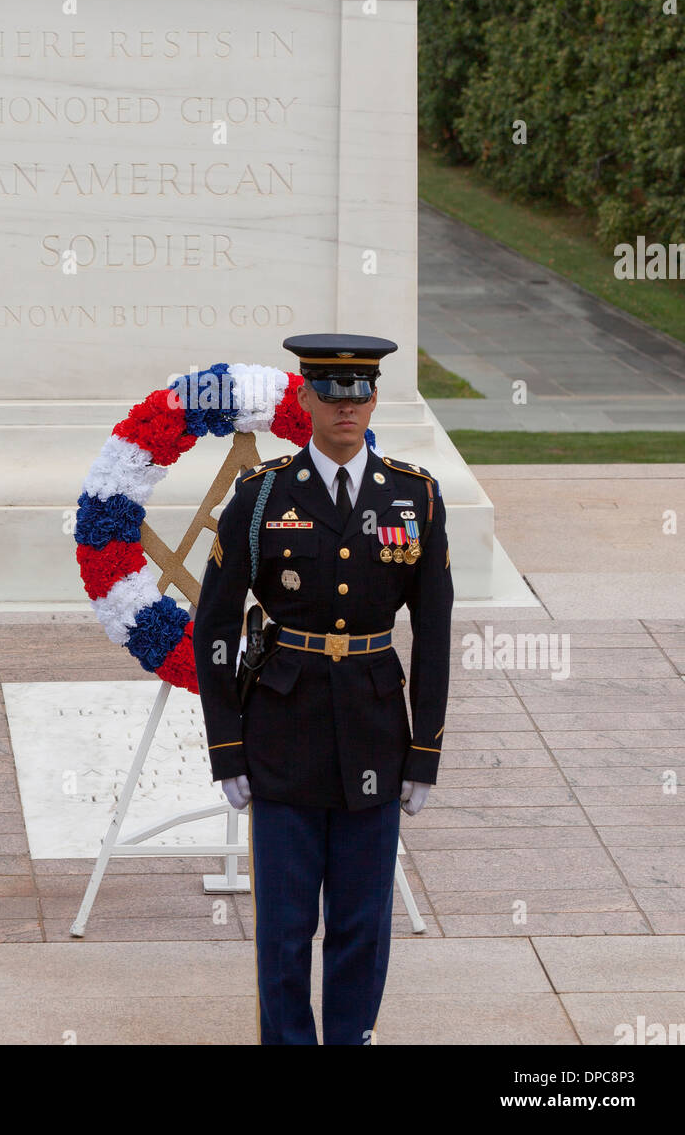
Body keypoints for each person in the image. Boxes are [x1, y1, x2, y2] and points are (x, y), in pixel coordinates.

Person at [193, 333, 454, 1045]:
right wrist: (227, 747)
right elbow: (213, 627)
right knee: (283, 928)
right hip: (283, 729)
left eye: (361, 392)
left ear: (375, 398)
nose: (348, 407)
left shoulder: (414, 496)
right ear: (303, 399)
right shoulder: (262, 495)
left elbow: (432, 635)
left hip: (375, 730)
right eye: (332, 392)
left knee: (363, 924)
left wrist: (424, 749)